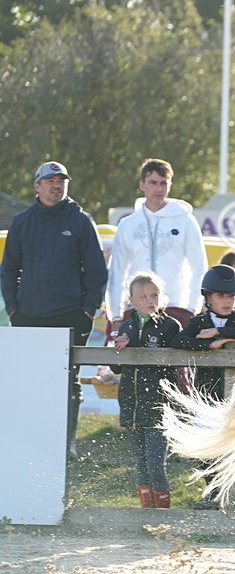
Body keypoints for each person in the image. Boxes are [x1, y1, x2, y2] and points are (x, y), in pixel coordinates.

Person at [1, 160, 107, 460]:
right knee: (30, 379)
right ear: (37, 186)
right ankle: (31, 440)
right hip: (28, 316)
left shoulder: (81, 221)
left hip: (70, 315)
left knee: (68, 379)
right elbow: (8, 271)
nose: (56, 185)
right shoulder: (22, 222)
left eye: (61, 180)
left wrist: (87, 311)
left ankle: (66, 443)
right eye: (49, 180)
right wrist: (14, 310)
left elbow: (96, 272)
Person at [172, 264, 235, 508]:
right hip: (205, 394)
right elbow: (178, 340)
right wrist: (208, 345)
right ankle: (215, 492)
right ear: (208, 298)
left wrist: (219, 331)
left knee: (230, 444)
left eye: (231, 296)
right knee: (204, 449)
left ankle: (224, 495)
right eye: (221, 296)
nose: (227, 301)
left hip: (234, 394)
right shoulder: (198, 322)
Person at [106, 158, 207, 328]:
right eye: (153, 183)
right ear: (142, 185)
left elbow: (199, 266)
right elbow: (118, 271)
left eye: (163, 183)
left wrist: (192, 308)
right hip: (134, 309)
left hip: (176, 308)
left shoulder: (186, 221)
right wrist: (116, 315)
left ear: (170, 185)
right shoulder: (127, 224)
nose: (158, 189)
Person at [111, 272, 182, 508]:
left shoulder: (170, 325)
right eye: (142, 297)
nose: (149, 301)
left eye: (154, 295)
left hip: (159, 405)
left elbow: (175, 364)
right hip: (131, 404)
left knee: (155, 464)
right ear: (131, 300)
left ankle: (162, 515)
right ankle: (148, 516)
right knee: (140, 464)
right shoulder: (127, 326)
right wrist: (119, 347)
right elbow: (116, 367)